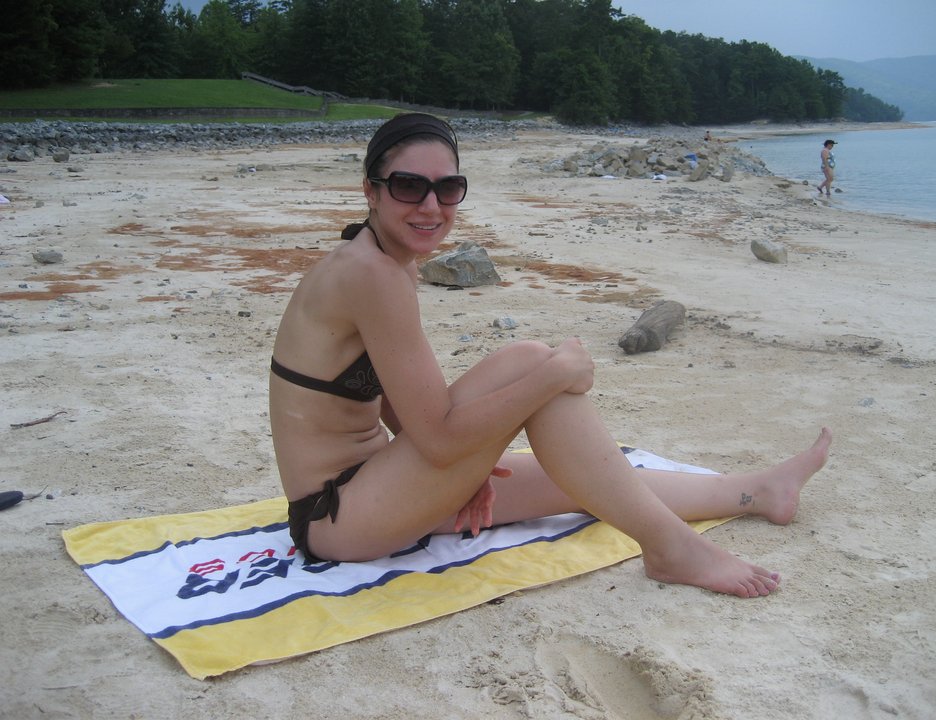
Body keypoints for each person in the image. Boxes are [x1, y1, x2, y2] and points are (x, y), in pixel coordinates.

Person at [269, 112, 832, 599]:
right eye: (409, 186)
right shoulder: (371, 274)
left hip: (375, 488)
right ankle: (671, 550)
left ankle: (755, 492)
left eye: (448, 188)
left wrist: (467, 470)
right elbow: (438, 438)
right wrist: (556, 375)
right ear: (371, 191)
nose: (431, 205)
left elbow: (398, 399)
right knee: (533, 363)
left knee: (585, 478)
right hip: (337, 515)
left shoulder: (383, 261)